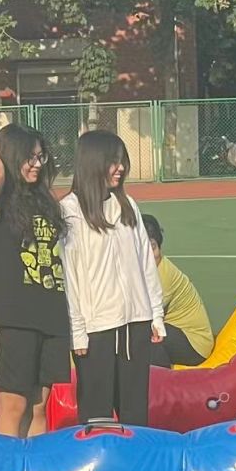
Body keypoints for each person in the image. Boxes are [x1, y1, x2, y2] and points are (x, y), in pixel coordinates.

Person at [61, 130, 164, 424]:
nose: (120, 168)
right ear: (93, 163)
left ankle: (136, 453)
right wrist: (77, 330)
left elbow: (145, 263)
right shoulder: (70, 210)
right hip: (97, 328)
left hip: (136, 322)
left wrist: (155, 314)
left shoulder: (128, 204)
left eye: (122, 161)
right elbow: (71, 276)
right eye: (113, 162)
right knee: (96, 413)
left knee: (135, 413)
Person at [0, 123, 68, 436]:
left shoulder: (45, 202)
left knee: (39, 408)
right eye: (30, 157)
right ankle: (8, 467)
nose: (37, 164)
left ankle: (33, 465)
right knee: (13, 406)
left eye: (41, 157)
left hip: (51, 318)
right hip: (13, 319)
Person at [142, 214, 214, 366]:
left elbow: (143, 315)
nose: (149, 256)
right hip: (177, 333)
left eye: (153, 247)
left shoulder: (163, 275)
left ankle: (160, 377)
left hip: (195, 343)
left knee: (148, 332)